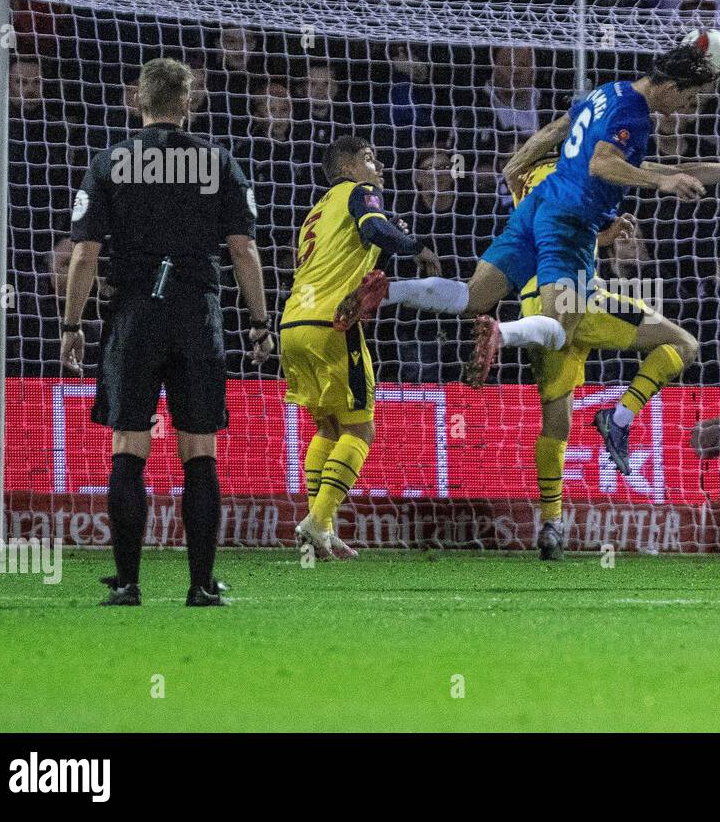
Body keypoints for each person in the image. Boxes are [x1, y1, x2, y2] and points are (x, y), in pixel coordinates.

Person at [382, 39, 720, 475]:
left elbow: (560, 128)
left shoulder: (608, 92)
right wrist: (662, 185)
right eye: (688, 97)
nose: (685, 108)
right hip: (571, 221)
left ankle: (385, 290)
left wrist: (515, 163)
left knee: (474, 296)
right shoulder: (633, 113)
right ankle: (503, 336)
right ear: (671, 86)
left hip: (539, 205)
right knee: (565, 330)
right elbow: (602, 165)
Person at [60, 57, 273, 607]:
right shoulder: (216, 160)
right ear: (188, 103)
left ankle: (128, 583)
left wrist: (71, 324)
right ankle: (201, 585)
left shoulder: (110, 162)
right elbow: (243, 249)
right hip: (196, 314)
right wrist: (258, 321)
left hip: (133, 314)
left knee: (129, 445)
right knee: (199, 450)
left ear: (138, 100)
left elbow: (85, 252)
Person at [498, 151, 697, 559]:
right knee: (683, 344)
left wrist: (604, 237)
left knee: (556, 423)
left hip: (535, 303)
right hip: (576, 298)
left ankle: (551, 524)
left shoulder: (524, 179)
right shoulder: (582, 173)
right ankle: (617, 419)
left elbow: (562, 231)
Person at [281, 136, 441, 559]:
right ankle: (317, 521)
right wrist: (415, 247)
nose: (379, 167)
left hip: (293, 324)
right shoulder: (360, 193)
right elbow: (374, 227)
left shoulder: (316, 212)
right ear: (348, 168)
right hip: (333, 325)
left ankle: (323, 528)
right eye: (370, 159)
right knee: (360, 429)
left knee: (328, 429)